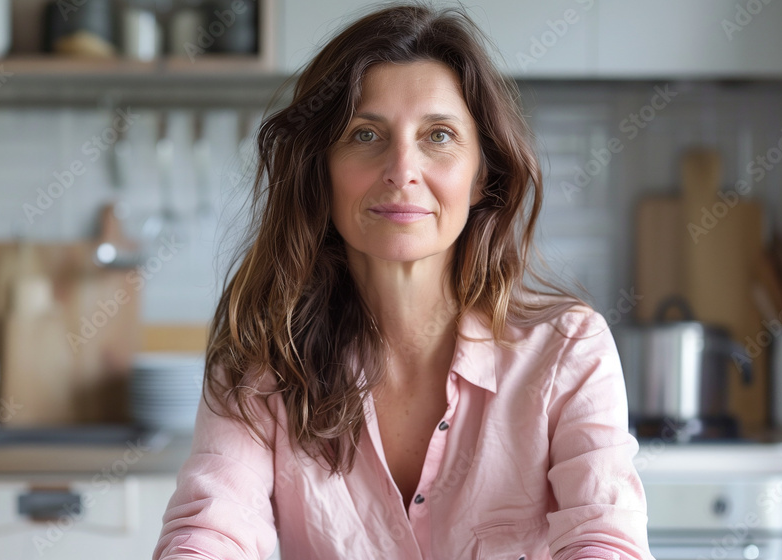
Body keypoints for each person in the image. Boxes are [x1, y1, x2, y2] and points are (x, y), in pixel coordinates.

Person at [153, 4, 653, 559]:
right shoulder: (263, 358)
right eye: (365, 134)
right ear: (321, 169)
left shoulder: (566, 352)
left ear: (482, 174)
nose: (401, 169)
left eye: (438, 136)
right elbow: (212, 530)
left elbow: (603, 541)